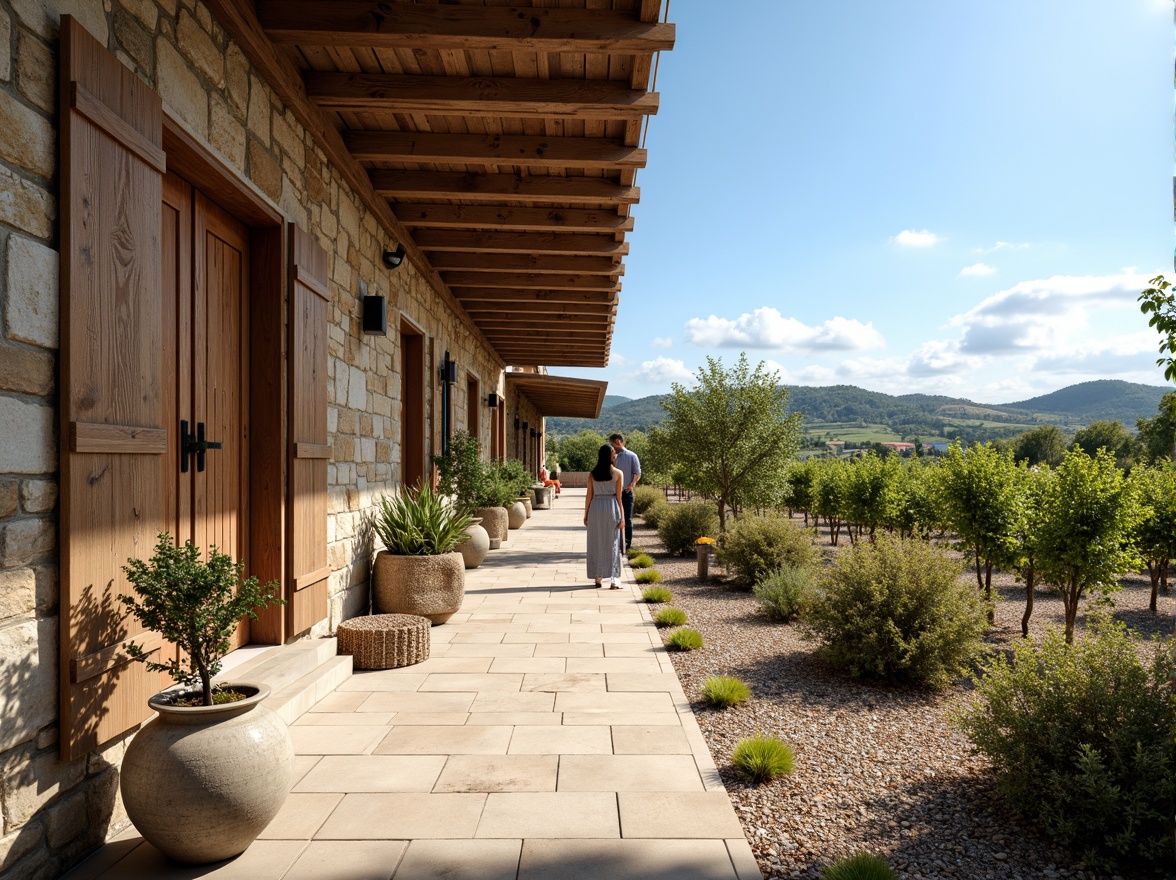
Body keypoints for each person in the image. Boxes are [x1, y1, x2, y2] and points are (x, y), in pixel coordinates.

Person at [584, 443, 624, 589]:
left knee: (596, 542)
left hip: (595, 507)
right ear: (610, 455)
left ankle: (598, 578)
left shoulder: (593, 474)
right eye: (614, 452)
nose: (616, 454)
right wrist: (623, 517)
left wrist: (586, 513)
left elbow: (589, 495)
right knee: (613, 542)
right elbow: (619, 498)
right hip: (611, 507)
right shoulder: (618, 473)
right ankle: (614, 579)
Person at [609, 433, 642, 552]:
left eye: (612, 443)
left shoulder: (632, 456)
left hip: (626, 493)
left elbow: (637, 473)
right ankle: (615, 543)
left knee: (627, 519)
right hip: (612, 493)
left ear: (618, 442)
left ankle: (626, 545)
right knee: (613, 518)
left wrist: (631, 485)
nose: (611, 446)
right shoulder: (612, 456)